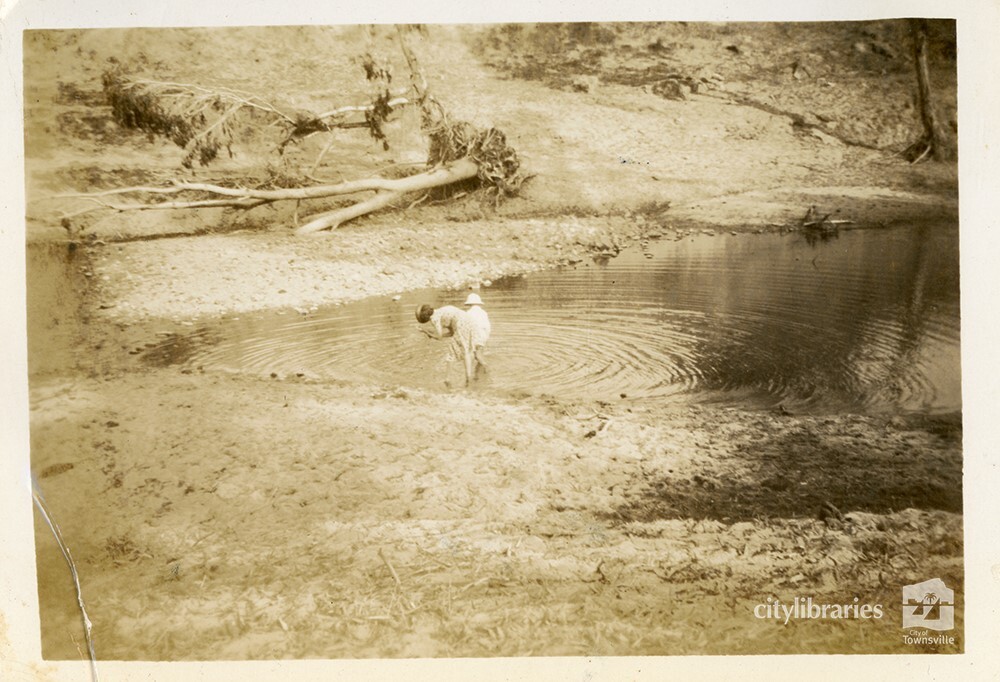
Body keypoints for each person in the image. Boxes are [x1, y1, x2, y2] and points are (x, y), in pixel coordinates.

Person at [415, 303, 476, 387]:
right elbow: (451, 333)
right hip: (469, 321)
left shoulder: (434, 319)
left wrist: (425, 331)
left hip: (461, 323)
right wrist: (431, 334)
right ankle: (468, 379)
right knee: (466, 350)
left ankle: (448, 379)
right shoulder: (440, 311)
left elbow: (439, 337)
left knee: (451, 353)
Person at [463, 292, 491, 377]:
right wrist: (486, 338)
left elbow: (466, 328)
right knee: (479, 355)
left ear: (469, 304)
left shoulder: (468, 313)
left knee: (477, 356)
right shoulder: (484, 312)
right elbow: (488, 326)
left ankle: (487, 368)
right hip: (483, 335)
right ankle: (478, 375)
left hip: (475, 337)